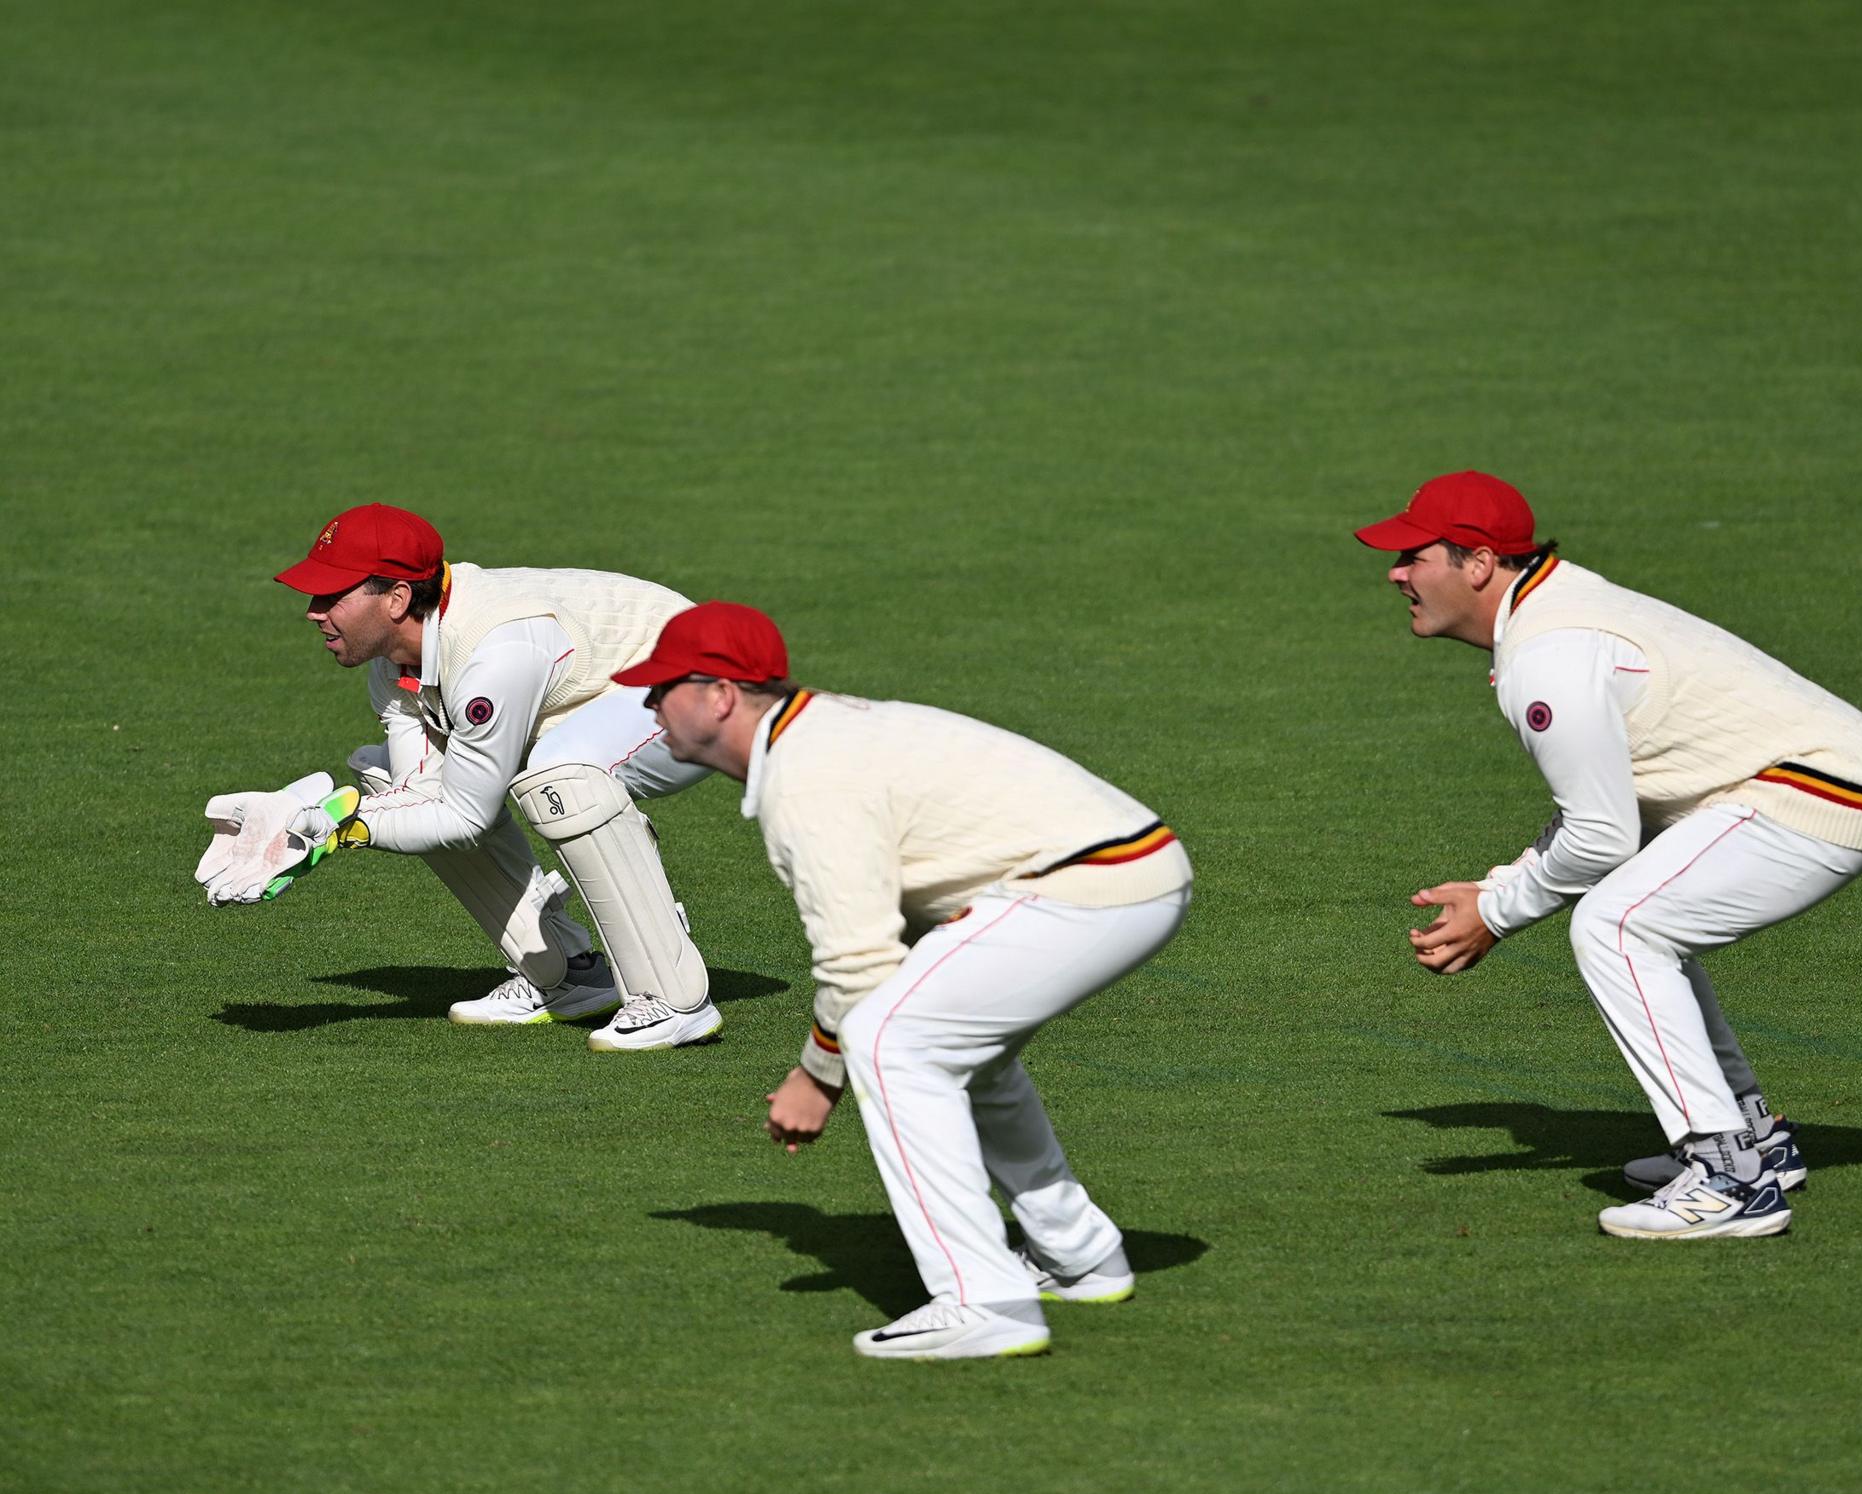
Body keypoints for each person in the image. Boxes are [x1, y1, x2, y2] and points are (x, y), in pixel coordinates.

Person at [617, 602, 1193, 1360]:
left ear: (719, 694)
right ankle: (1076, 1254)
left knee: (890, 1040)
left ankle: (982, 1301)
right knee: (954, 1047)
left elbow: (860, 963)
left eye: (662, 687)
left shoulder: (808, 776)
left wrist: (815, 1077)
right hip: (1117, 873)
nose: (648, 703)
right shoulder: (813, 739)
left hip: (1089, 884)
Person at [1360, 471, 1862, 1240]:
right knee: (1643, 916)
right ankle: (1752, 1140)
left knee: (1617, 926)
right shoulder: (1551, 609)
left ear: (1477, 564)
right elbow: (1604, 816)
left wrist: (1498, 911)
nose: (1395, 573)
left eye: (1413, 556)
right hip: (1805, 780)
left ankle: (1729, 1176)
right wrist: (1499, 886)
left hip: (1817, 794)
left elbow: (1601, 837)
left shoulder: (1549, 653)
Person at [263, 502, 724, 1050]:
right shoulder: (393, 666)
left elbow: (465, 817)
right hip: (605, 693)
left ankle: (674, 999)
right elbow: (423, 794)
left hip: (705, 683)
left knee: (564, 777)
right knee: (396, 781)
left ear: (397, 599)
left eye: (332, 596)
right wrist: (307, 820)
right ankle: (567, 972)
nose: (315, 612)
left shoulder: (495, 651)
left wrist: (339, 830)